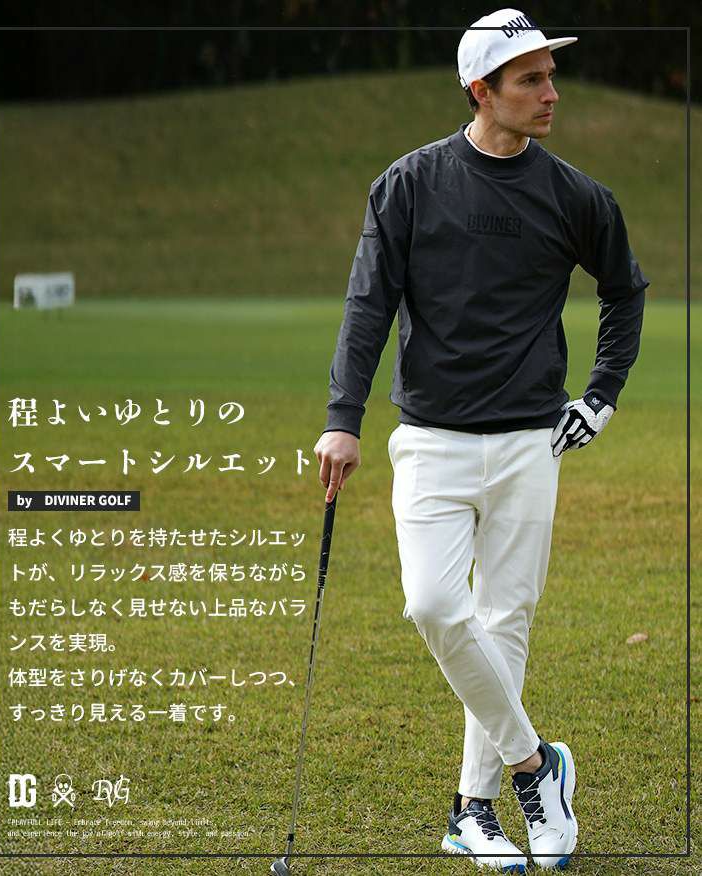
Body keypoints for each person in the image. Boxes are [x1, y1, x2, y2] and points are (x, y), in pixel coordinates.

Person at [313, 7, 648, 872]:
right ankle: (538, 765)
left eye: (550, 76)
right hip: (431, 442)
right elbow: (368, 305)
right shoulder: (410, 184)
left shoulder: (576, 195)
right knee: (432, 605)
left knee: (505, 624)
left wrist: (601, 397)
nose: (551, 93)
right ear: (481, 90)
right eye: (530, 79)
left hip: (533, 443)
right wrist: (343, 419)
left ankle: (473, 811)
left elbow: (625, 289)